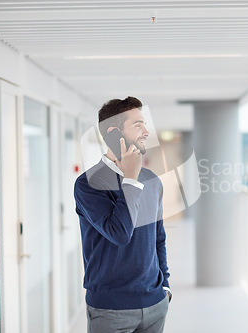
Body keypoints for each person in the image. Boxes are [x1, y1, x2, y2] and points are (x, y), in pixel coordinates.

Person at [74, 97, 171, 333]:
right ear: (113, 131)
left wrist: (165, 286)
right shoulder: (89, 184)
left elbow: (158, 237)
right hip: (111, 311)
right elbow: (119, 233)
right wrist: (130, 179)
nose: (147, 132)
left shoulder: (152, 180)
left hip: (155, 304)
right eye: (138, 124)